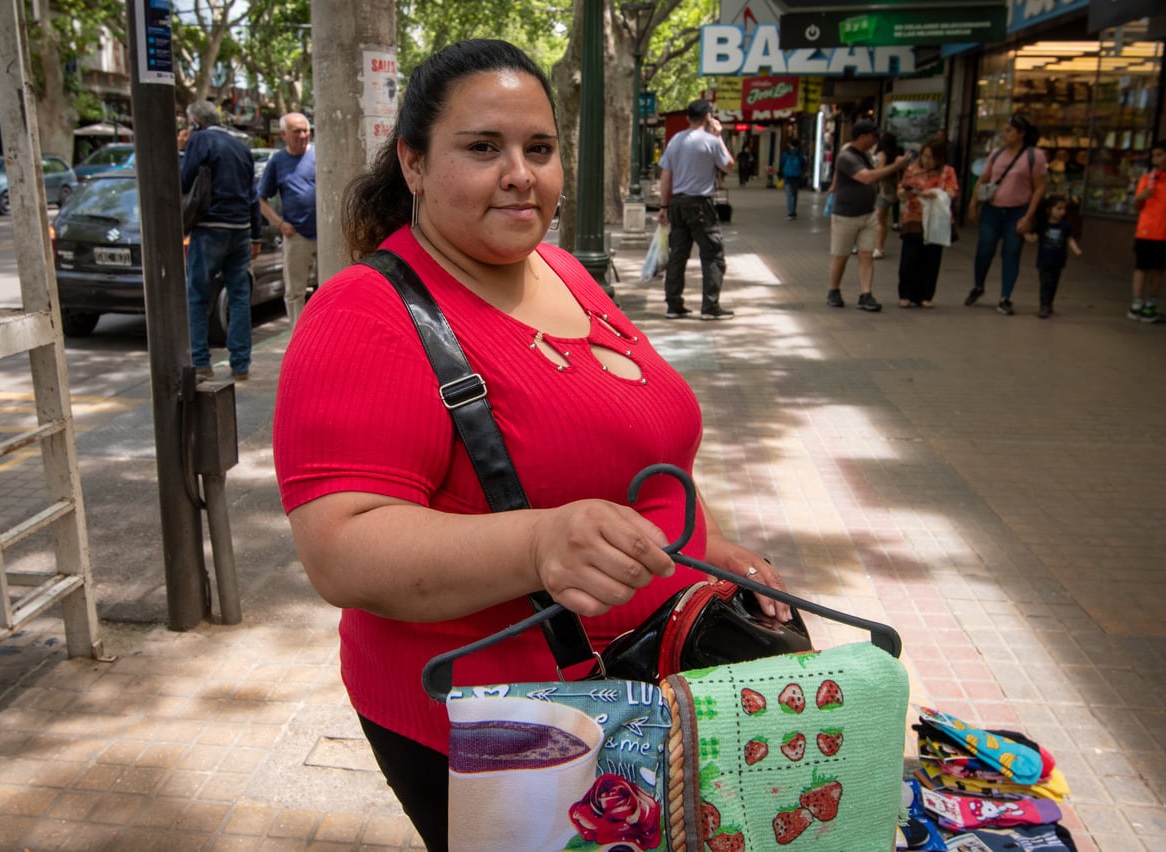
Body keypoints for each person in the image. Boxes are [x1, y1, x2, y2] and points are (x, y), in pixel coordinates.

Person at [271, 39, 794, 850]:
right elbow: (340, 548)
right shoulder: (362, 314)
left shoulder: (563, 270)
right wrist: (541, 540)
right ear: (413, 163)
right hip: (512, 733)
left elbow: (646, 448)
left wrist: (714, 547)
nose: (522, 173)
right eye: (483, 148)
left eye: (539, 149)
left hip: (661, 680)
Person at [179, 100, 262, 381]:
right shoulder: (241, 146)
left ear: (195, 122)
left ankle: (201, 362)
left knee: (198, 295)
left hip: (209, 228)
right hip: (240, 228)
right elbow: (253, 195)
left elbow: (184, 179)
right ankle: (241, 363)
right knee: (239, 296)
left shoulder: (200, 140)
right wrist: (257, 235)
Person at [656, 99, 736, 320]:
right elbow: (728, 165)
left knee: (678, 256)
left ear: (687, 118)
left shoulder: (675, 141)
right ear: (708, 116)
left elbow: (666, 177)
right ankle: (710, 306)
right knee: (712, 254)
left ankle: (674, 304)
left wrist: (664, 206)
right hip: (701, 204)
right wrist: (719, 135)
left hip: (678, 204)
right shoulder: (711, 141)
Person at [965, 114, 1047, 316]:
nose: (1005, 134)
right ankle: (978, 285)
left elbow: (1039, 188)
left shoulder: (1034, 156)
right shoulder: (996, 154)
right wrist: (973, 203)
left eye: (1009, 131)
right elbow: (984, 179)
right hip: (992, 209)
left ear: (1021, 134)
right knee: (985, 248)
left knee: (1011, 253)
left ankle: (1005, 297)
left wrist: (1028, 216)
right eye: (1005, 130)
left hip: (1017, 210)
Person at [826, 119, 911, 312]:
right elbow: (867, 177)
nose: (876, 141)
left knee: (866, 255)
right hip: (845, 215)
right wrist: (896, 166)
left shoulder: (865, 155)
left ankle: (866, 294)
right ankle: (834, 290)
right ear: (863, 137)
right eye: (874, 137)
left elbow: (875, 172)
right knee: (841, 255)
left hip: (868, 213)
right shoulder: (847, 157)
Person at [258, 111, 317, 330]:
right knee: (295, 292)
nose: (303, 135)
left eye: (306, 130)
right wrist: (279, 223)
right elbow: (261, 199)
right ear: (284, 134)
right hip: (297, 235)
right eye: (297, 131)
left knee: (331, 286)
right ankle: (298, 336)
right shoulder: (278, 161)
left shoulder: (320, 154)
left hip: (325, 233)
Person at [897, 139, 959, 308]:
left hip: (936, 219)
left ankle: (925, 295)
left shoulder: (948, 171)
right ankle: (906, 294)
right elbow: (902, 189)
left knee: (931, 257)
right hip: (914, 216)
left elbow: (952, 192)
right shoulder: (913, 170)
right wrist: (906, 192)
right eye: (925, 156)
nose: (927, 161)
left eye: (931, 158)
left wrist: (935, 193)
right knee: (910, 257)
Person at [1127, 139, 1166, 323]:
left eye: (1160, 155)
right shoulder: (1148, 179)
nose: (1156, 160)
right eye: (1154, 156)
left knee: (1158, 270)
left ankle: (1151, 304)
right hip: (1145, 230)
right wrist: (1140, 197)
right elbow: (1136, 205)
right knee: (1141, 267)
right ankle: (1136, 302)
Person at [1026, 196, 1081, 319]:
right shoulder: (1043, 225)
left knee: (1054, 283)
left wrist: (1076, 249)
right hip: (1044, 260)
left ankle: (1049, 303)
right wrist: (1023, 232)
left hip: (1058, 260)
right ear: (1049, 210)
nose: (1062, 211)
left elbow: (1070, 238)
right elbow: (1033, 238)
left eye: (1064, 209)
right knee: (1045, 283)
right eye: (1059, 208)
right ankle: (1044, 305)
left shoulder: (1065, 226)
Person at [873, 132, 902, 258]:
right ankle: (879, 246)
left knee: (879, 220)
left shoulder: (881, 154)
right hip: (890, 189)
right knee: (882, 220)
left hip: (881, 189)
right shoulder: (896, 155)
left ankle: (878, 247)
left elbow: (879, 172)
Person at [778, 140, 806, 220]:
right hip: (796, 177)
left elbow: (782, 164)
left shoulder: (786, 154)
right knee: (795, 194)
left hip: (788, 177)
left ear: (790, 145)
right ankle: (793, 211)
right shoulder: (800, 155)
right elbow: (803, 164)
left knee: (789, 195)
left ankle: (790, 212)